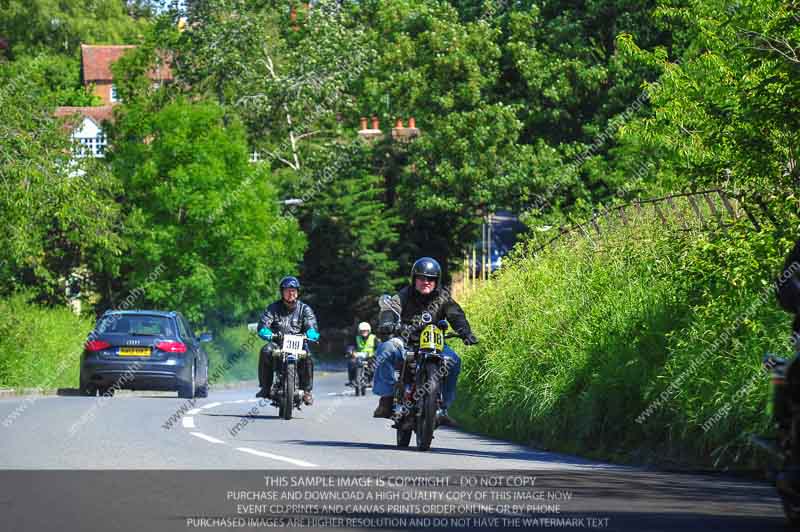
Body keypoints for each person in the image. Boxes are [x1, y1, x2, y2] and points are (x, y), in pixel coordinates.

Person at [372, 257, 478, 423]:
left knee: (454, 361)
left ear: (437, 281)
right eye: (421, 278)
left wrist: (466, 333)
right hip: (406, 343)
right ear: (414, 279)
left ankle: (443, 408)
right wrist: (387, 322)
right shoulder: (404, 295)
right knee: (385, 350)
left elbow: (456, 315)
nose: (426, 282)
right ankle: (386, 397)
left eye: (430, 279)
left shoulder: (443, 298)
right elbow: (390, 309)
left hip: (435, 344)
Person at [255, 276, 320, 405]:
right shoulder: (273, 308)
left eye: (293, 290)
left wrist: (311, 333)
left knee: (308, 356)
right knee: (266, 351)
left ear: (297, 292)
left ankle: (307, 391)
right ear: (282, 292)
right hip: (278, 344)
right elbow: (263, 325)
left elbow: (311, 324)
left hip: (299, 344)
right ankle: (266, 387)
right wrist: (267, 333)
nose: (291, 293)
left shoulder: (304, 309)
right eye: (287, 290)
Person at [347, 322, 377, 386]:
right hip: (359, 356)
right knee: (351, 362)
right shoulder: (357, 338)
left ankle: (370, 380)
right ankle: (352, 380)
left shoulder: (374, 338)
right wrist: (350, 351)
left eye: (366, 331)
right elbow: (351, 346)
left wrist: (375, 353)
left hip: (371, 357)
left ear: (369, 330)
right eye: (362, 331)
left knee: (374, 365)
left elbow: (379, 347)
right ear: (359, 331)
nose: (364, 332)